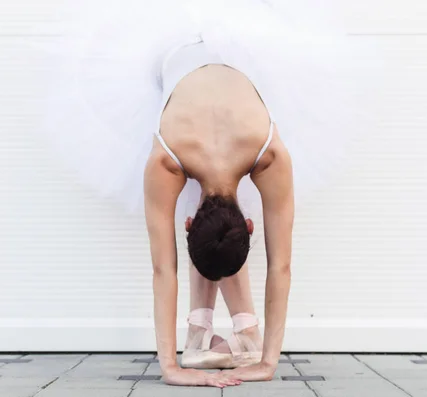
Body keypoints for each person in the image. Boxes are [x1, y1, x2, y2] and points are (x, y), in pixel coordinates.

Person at [40, 0, 371, 388]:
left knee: (216, 237)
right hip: (183, 53)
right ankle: (230, 332)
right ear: (251, 225)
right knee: (218, 239)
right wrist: (268, 364)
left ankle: (204, 334)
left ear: (189, 222)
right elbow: (280, 267)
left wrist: (172, 369)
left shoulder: (170, 160)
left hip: (214, 60)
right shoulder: (266, 155)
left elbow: (164, 270)